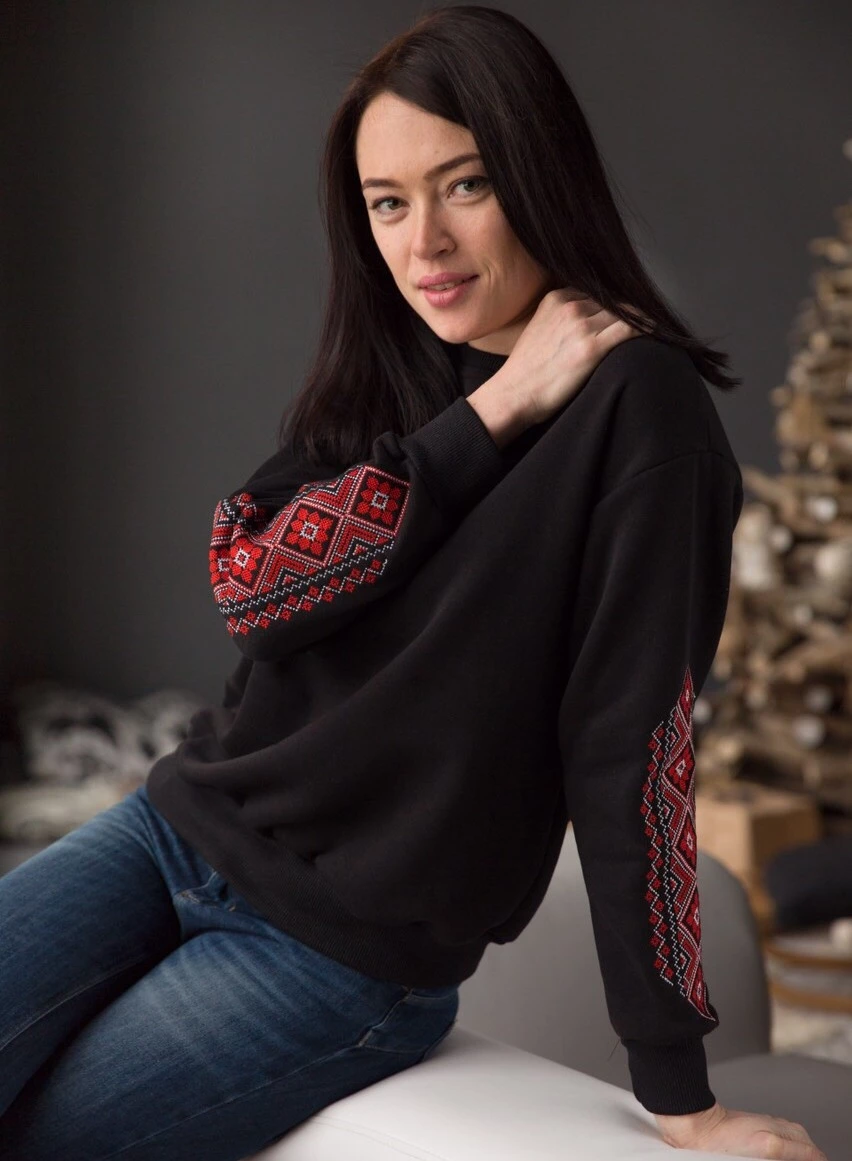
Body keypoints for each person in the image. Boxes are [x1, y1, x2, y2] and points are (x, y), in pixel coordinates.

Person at [0, 6, 828, 1161]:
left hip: (331, 955)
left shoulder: (645, 415)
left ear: (539, 172)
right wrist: (492, 415)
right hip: (169, 834)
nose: (424, 243)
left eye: (465, 185)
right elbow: (255, 588)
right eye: (387, 203)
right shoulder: (399, 359)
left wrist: (681, 1092)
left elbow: (632, 748)